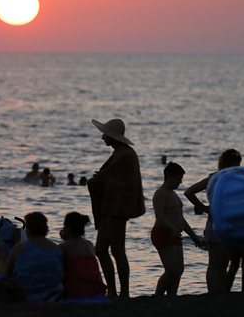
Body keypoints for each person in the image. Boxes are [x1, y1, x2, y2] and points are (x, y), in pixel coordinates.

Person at [88, 118, 145, 299]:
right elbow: (113, 177)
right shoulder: (120, 153)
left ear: (112, 136)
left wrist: (100, 179)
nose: (102, 137)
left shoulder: (125, 155)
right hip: (110, 208)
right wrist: (101, 179)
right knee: (101, 250)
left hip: (117, 208)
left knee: (117, 250)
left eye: (105, 134)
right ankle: (112, 290)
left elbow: (127, 184)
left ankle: (124, 292)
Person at [184, 149, 244, 293]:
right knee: (215, 263)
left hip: (228, 224)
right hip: (217, 223)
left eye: (238, 165)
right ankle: (213, 292)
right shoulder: (215, 178)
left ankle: (220, 292)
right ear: (225, 164)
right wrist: (204, 208)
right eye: (234, 164)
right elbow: (189, 192)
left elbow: (189, 192)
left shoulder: (227, 178)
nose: (237, 168)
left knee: (223, 263)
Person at [152, 162, 203, 296]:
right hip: (162, 233)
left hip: (175, 234)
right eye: (179, 178)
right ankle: (158, 295)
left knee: (179, 269)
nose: (181, 182)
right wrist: (172, 228)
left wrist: (193, 236)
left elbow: (181, 219)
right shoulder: (160, 193)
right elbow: (160, 216)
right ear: (170, 176)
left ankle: (172, 295)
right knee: (171, 270)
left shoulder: (174, 194)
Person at [7, 212, 63, 302]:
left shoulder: (20, 248)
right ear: (46, 228)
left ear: (28, 230)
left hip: (25, 295)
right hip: (52, 296)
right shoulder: (55, 248)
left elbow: (8, 273)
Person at [59, 212, 106, 299]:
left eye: (64, 225)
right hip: (97, 291)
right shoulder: (89, 244)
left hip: (75, 291)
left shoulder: (63, 247)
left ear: (68, 228)